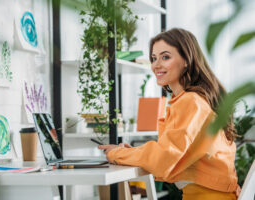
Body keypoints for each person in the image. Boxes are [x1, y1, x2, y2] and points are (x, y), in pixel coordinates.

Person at [99, 28, 239, 200]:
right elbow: (170, 150)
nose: (156, 65)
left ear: (187, 60)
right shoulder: (192, 99)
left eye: (165, 57)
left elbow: (163, 159)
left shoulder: (190, 101)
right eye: (153, 58)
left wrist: (116, 154)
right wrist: (134, 153)